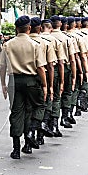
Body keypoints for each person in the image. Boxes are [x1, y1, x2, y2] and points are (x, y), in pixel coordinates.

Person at [0, 16, 47, 160]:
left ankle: (16, 149)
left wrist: (3, 84)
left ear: (16, 28)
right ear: (29, 28)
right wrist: (44, 85)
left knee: (16, 112)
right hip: (31, 81)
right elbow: (40, 68)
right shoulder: (35, 44)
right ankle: (30, 135)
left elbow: (2, 66)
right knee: (37, 107)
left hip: (14, 81)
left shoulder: (8, 45)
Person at [23, 17, 56, 153]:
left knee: (27, 109)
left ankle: (27, 143)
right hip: (42, 75)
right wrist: (50, 85)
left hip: (25, 76)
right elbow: (50, 65)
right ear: (40, 28)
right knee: (42, 104)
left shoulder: (23, 41)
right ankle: (38, 135)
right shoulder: (46, 42)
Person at [50, 15, 77, 131]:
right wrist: (76, 75)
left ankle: (51, 123)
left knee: (51, 96)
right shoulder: (67, 38)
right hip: (65, 67)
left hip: (50, 68)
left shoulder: (47, 37)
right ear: (60, 24)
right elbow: (72, 58)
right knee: (66, 93)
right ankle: (64, 118)